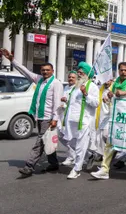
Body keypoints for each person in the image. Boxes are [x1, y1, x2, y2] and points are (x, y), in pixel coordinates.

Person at [1, 48, 63, 177]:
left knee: (40, 143)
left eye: (47, 70)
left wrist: (55, 119)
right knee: (47, 141)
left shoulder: (56, 84)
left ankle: (29, 167)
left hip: (48, 118)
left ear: (53, 71)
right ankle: (54, 163)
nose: (45, 72)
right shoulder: (39, 80)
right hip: (39, 117)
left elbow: (57, 103)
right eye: (43, 70)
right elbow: (25, 71)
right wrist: (12, 59)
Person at [91, 62, 126, 179]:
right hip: (115, 117)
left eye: (125, 70)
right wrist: (108, 97)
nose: (123, 72)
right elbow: (108, 98)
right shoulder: (115, 83)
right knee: (110, 142)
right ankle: (105, 169)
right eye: (121, 70)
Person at [59, 62, 99, 179]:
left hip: (84, 121)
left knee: (80, 146)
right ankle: (90, 154)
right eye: (79, 72)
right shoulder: (76, 86)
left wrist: (86, 94)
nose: (79, 74)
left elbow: (96, 103)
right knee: (69, 142)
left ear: (87, 74)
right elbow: (73, 103)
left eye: (82, 72)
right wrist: (66, 100)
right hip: (70, 120)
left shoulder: (92, 87)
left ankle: (76, 169)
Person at [60, 71, 78, 166]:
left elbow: (75, 103)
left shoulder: (77, 89)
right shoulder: (66, 87)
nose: (70, 79)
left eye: (73, 77)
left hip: (72, 117)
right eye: (69, 77)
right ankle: (73, 155)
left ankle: (74, 156)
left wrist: (66, 100)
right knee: (62, 137)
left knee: (71, 138)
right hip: (63, 115)